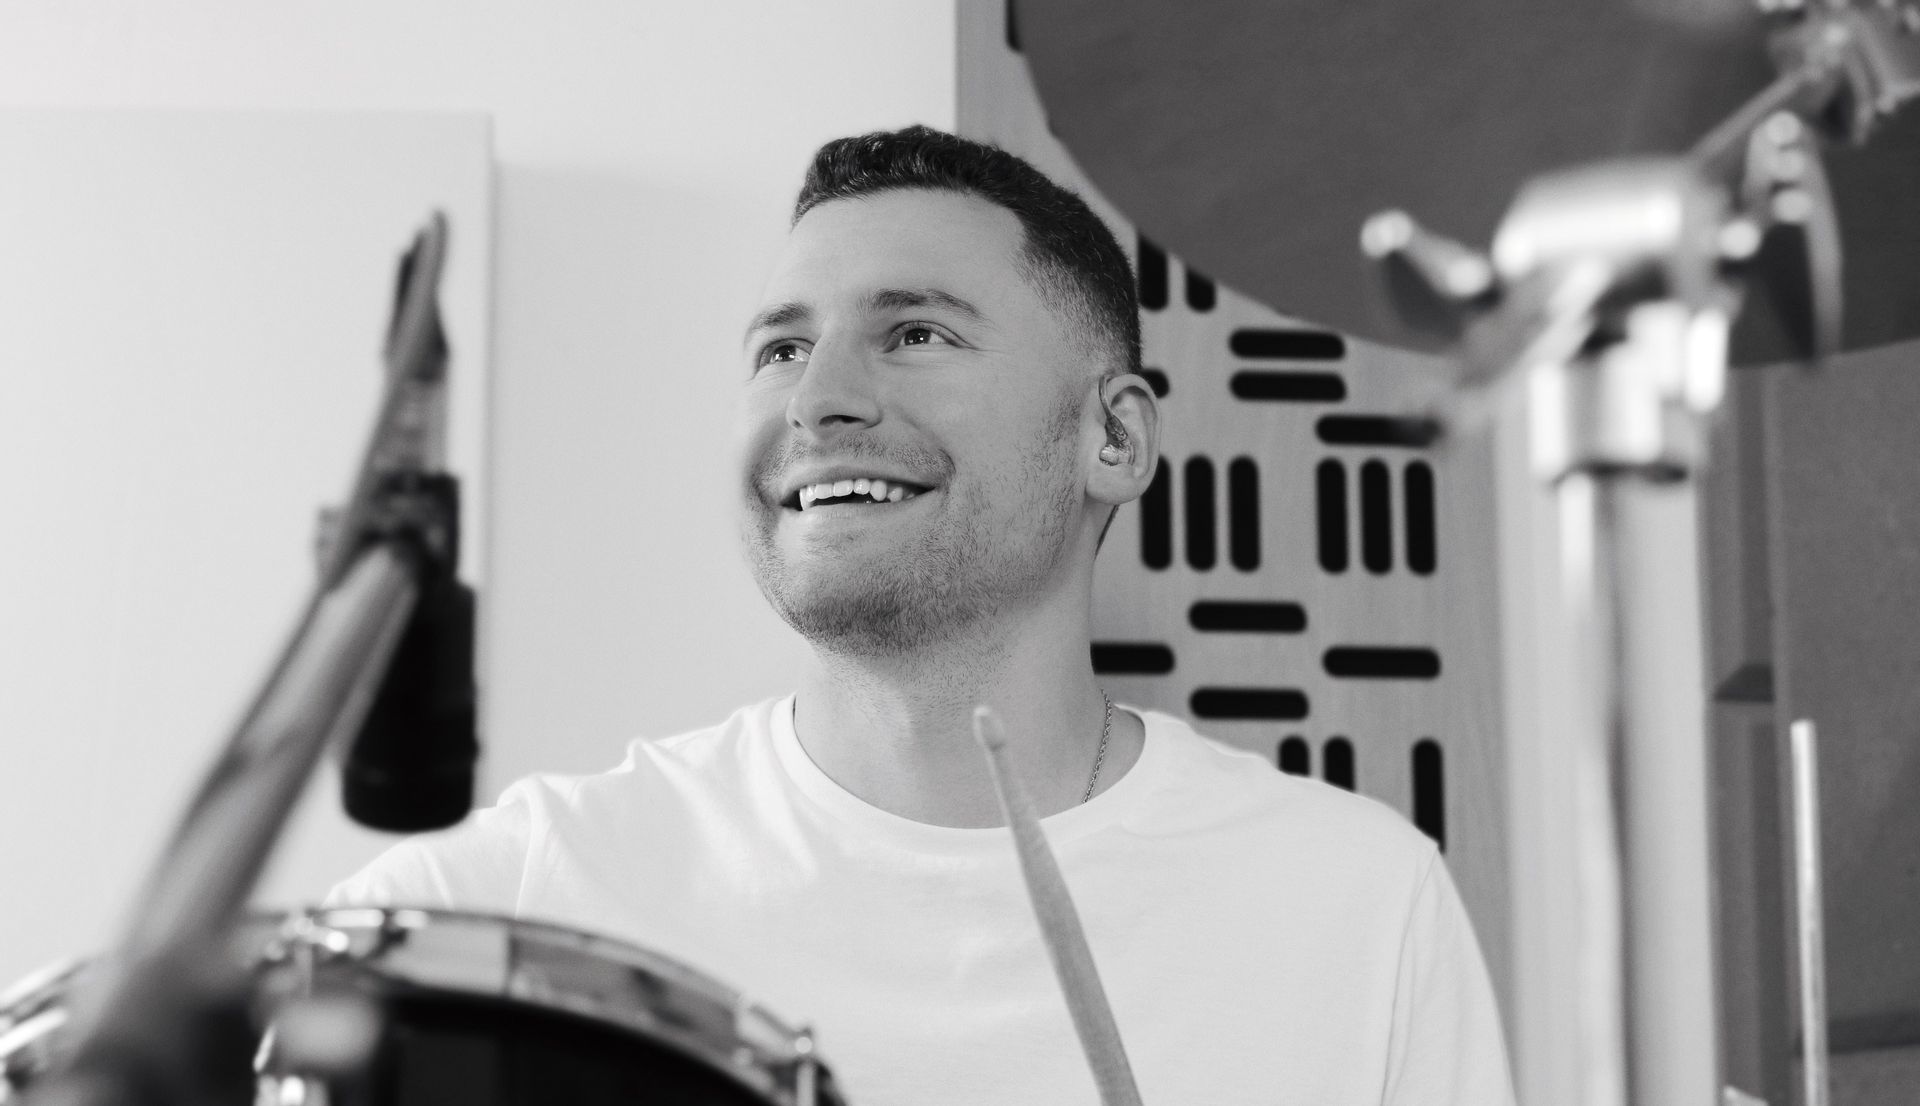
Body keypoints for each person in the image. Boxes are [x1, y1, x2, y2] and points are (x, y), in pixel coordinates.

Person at [330, 125, 1515, 1105]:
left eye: (916, 334)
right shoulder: (507, 908)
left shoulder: (1357, 907)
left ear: (1115, 436)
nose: (819, 399)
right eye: (782, 347)